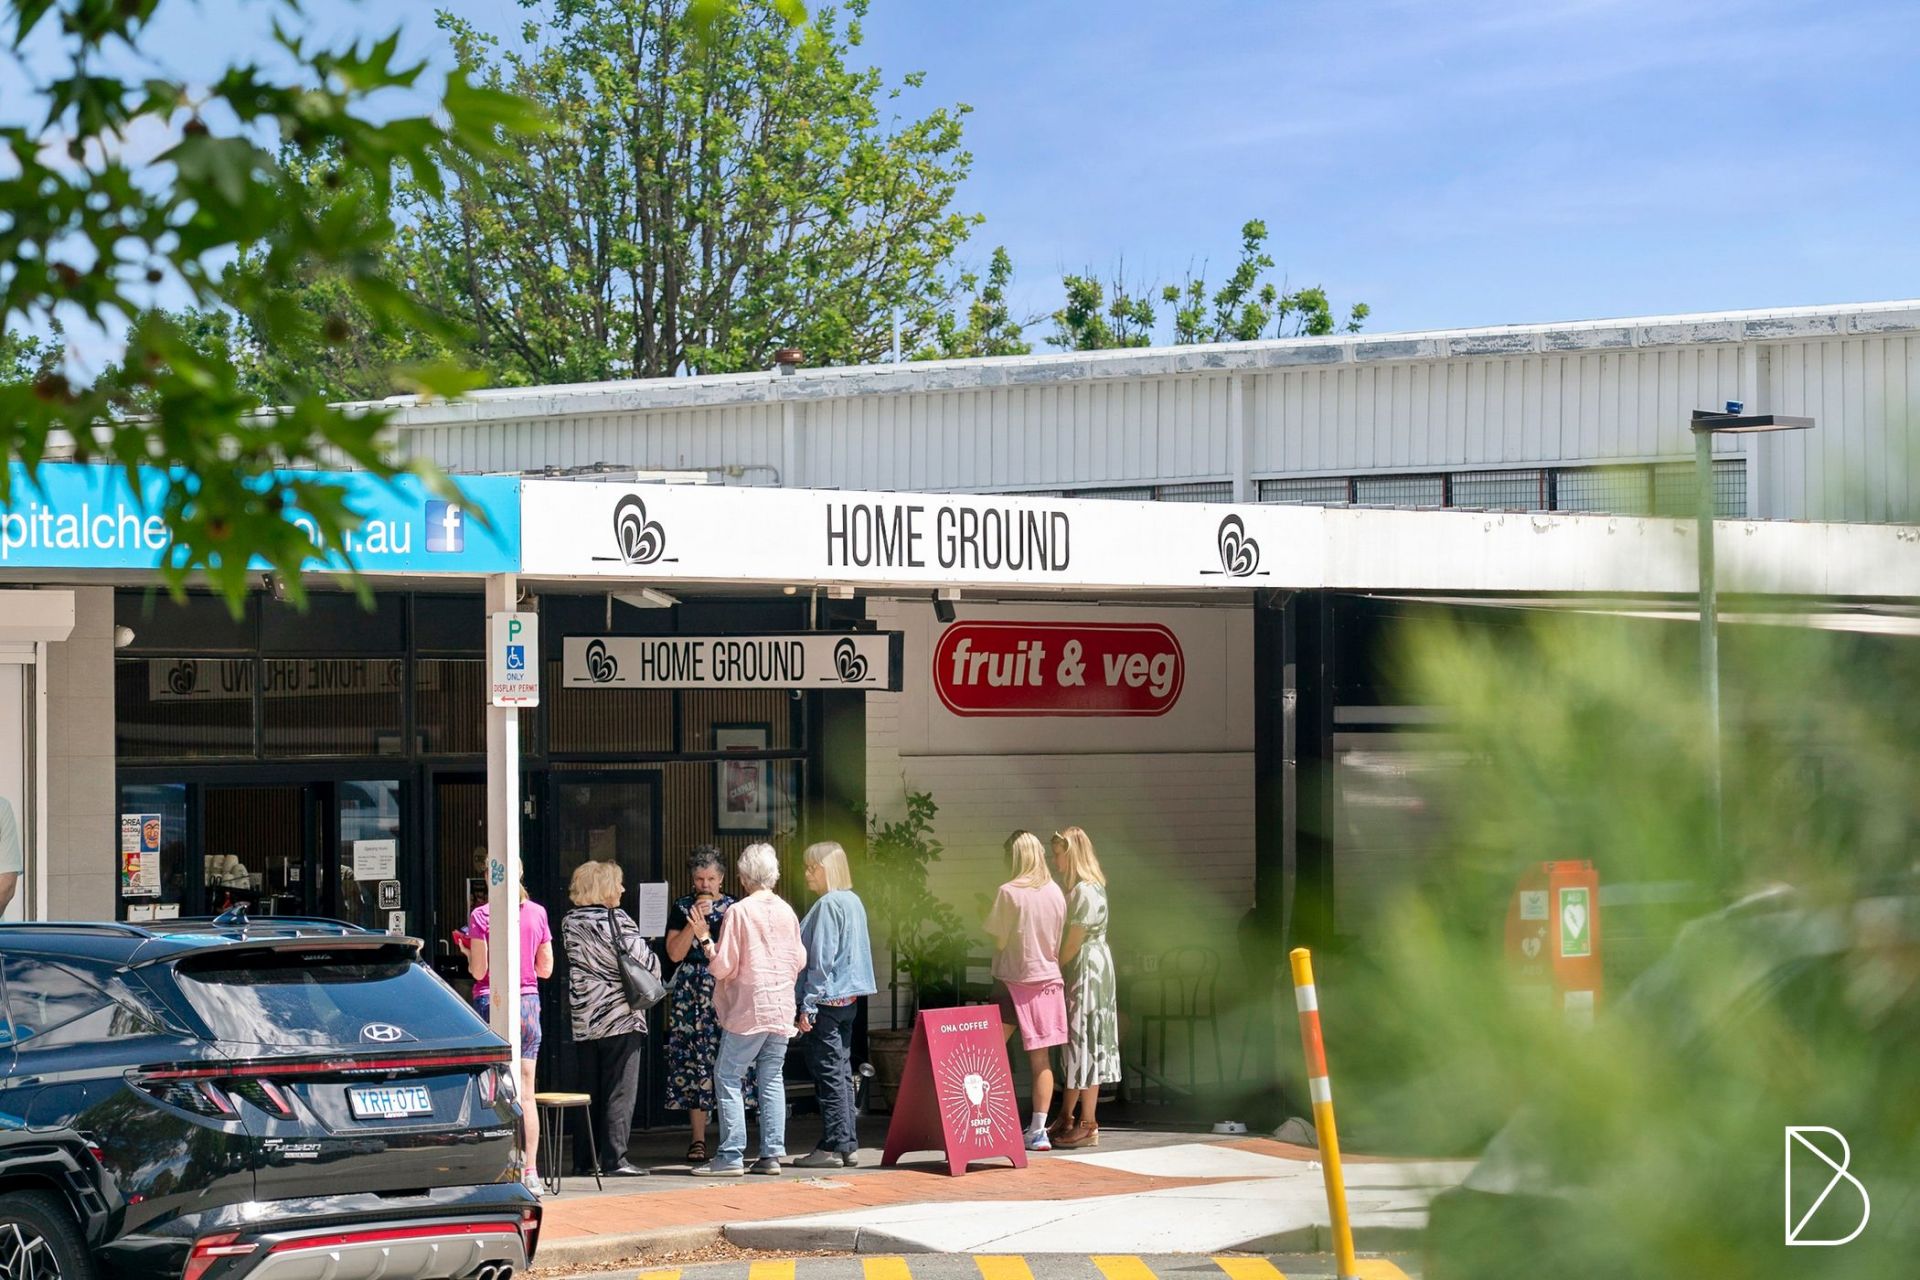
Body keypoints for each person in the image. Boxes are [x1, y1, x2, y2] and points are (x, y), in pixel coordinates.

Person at [689, 843, 807, 1177]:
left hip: (749, 1008)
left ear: (742, 878)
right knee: (771, 1076)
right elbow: (800, 959)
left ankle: (730, 1154)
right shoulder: (787, 911)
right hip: (781, 1006)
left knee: (727, 1075)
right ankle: (771, 1154)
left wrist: (704, 938)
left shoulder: (739, 911)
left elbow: (724, 965)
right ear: (774, 875)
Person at [561, 859, 660, 1177]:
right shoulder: (617, 919)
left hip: (585, 1017)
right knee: (619, 1088)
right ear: (604, 887)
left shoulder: (569, 921)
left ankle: (583, 1160)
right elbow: (646, 963)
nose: (623, 889)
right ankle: (615, 1160)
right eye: (618, 883)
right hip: (620, 1016)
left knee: (587, 1090)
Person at [463, 881, 554, 1196]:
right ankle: (531, 1172)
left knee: (491, 1091)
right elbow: (546, 968)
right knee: (527, 1092)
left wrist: (467, 951)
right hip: (528, 1004)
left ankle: (496, 1170)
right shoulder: (538, 913)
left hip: (493, 1001)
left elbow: (479, 971)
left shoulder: (482, 915)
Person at [663, 845, 752, 1164]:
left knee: (729, 1059)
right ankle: (698, 1139)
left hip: (725, 986)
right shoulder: (682, 906)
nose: (705, 885)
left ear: (722, 879)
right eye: (700, 879)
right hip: (692, 991)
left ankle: (732, 1138)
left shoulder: (735, 908)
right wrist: (693, 922)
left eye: (711, 879)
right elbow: (674, 954)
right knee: (694, 1060)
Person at [792, 841, 876, 1168]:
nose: (807, 874)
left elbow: (821, 960)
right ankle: (847, 1144)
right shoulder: (853, 901)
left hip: (825, 1003)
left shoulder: (828, 904)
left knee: (829, 1076)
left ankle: (832, 1146)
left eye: (812, 867)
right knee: (840, 1073)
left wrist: (808, 1004)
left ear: (827, 869)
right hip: (848, 1001)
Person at [985, 831, 1069, 1151]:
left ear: (1015, 857)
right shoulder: (1056, 892)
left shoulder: (1008, 892)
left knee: (989, 1053)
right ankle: (1038, 1130)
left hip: (1012, 980)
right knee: (1041, 1060)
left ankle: (988, 1122)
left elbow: (999, 940)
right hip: (1047, 981)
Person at [1049, 826, 1120, 1148]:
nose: (1055, 861)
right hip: (1095, 966)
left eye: (1058, 855)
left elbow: (1072, 942)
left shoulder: (1083, 891)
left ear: (1072, 855)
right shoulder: (1092, 887)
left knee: (1086, 1040)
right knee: (1081, 1040)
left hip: (1086, 970)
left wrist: (1054, 967)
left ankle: (1088, 1122)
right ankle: (1067, 1115)